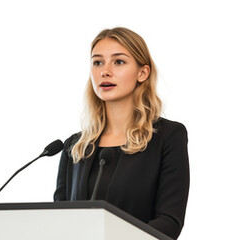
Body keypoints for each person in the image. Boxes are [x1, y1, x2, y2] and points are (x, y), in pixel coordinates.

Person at [54, 27, 190, 239]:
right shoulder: (74, 146)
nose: (105, 71)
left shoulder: (169, 136)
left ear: (142, 73)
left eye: (118, 62)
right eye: (97, 62)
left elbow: (169, 222)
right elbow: (58, 221)